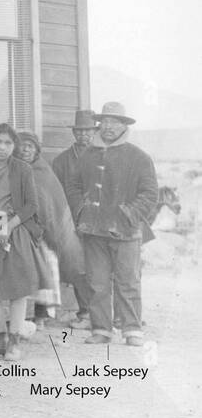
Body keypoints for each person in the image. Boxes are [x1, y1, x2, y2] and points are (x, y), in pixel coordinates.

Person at [67, 102, 158, 347]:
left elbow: (150, 194)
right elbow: (73, 186)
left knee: (128, 281)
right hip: (94, 231)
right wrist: (82, 210)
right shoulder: (87, 155)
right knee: (97, 282)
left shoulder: (139, 157)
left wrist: (129, 213)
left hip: (126, 231)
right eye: (104, 121)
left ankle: (132, 330)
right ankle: (101, 330)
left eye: (114, 122)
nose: (108, 127)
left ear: (124, 126)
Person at [0, 124, 44, 362]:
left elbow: (31, 205)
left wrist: (9, 226)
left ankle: (14, 341)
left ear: (13, 147)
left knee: (17, 287)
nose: (2, 148)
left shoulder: (22, 169)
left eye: (7, 143)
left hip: (14, 231)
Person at [17, 131, 83, 329]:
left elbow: (48, 205)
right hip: (18, 227)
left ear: (37, 150)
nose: (26, 149)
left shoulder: (42, 171)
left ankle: (41, 314)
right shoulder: (14, 170)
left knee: (45, 264)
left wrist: (42, 230)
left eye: (30, 146)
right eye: (22, 145)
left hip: (42, 230)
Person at [51, 109, 98, 328]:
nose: (84, 135)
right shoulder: (61, 161)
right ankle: (86, 313)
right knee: (79, 266)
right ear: (74, 133)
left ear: (94, 132)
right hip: (71, 220)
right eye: (79, 131)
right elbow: (55, 193)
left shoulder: (102, 155)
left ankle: (110, 314)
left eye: (88, 131)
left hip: (99, 220)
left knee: (103, 266)